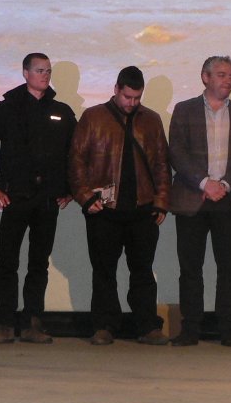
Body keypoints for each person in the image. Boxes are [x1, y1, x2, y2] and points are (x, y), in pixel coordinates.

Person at [0, 52, 77, 344]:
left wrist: (70, 189)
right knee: (7, 262)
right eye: (39, 70)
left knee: (38, 263)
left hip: (47, 200)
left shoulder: (61, 111)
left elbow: (76, 153)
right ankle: (4, 324)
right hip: (15, 198)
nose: (45, 75)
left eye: (48, 70)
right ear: (25, 73)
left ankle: (33, 323)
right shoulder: (7, 109)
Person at [69, 66, 171, 346]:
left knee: (143, 271)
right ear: (116, 89)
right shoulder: (93, 117)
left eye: (137, 98)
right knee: (104, 272)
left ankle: (147, 326)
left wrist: (161, 202)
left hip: (143, 210)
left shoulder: (151, 120)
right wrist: (85, 197)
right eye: (128, 97)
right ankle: (104, 326)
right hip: (104, 210)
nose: (132, 103)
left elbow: (162, 164)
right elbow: (76, 161)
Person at [168, 56, 231, 347]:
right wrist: (205, 183)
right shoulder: (184, 110)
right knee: (190, 269)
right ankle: (190, 328)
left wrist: (225, 185)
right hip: (193, 198)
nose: (228, 80)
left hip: (229, 201)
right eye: (221, 75)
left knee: (228, 269)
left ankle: (228, 329)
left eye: (230, 75)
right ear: (205, 77)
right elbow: (177, 153)